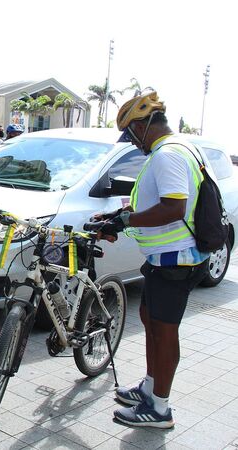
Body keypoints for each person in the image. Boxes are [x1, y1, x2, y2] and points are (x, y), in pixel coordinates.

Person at [91, 91, 210, 429]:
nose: (131, 142)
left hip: (176, 260)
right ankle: (149, 387)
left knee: (164, 330)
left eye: (130, 134)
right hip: (164, 258)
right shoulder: (173, 150)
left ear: (143, 126)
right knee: (150, 320)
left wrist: (126, 222)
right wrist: (118, 216)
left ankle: (160, 408)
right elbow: (155, 201)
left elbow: (174, 207)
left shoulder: (167, 155)